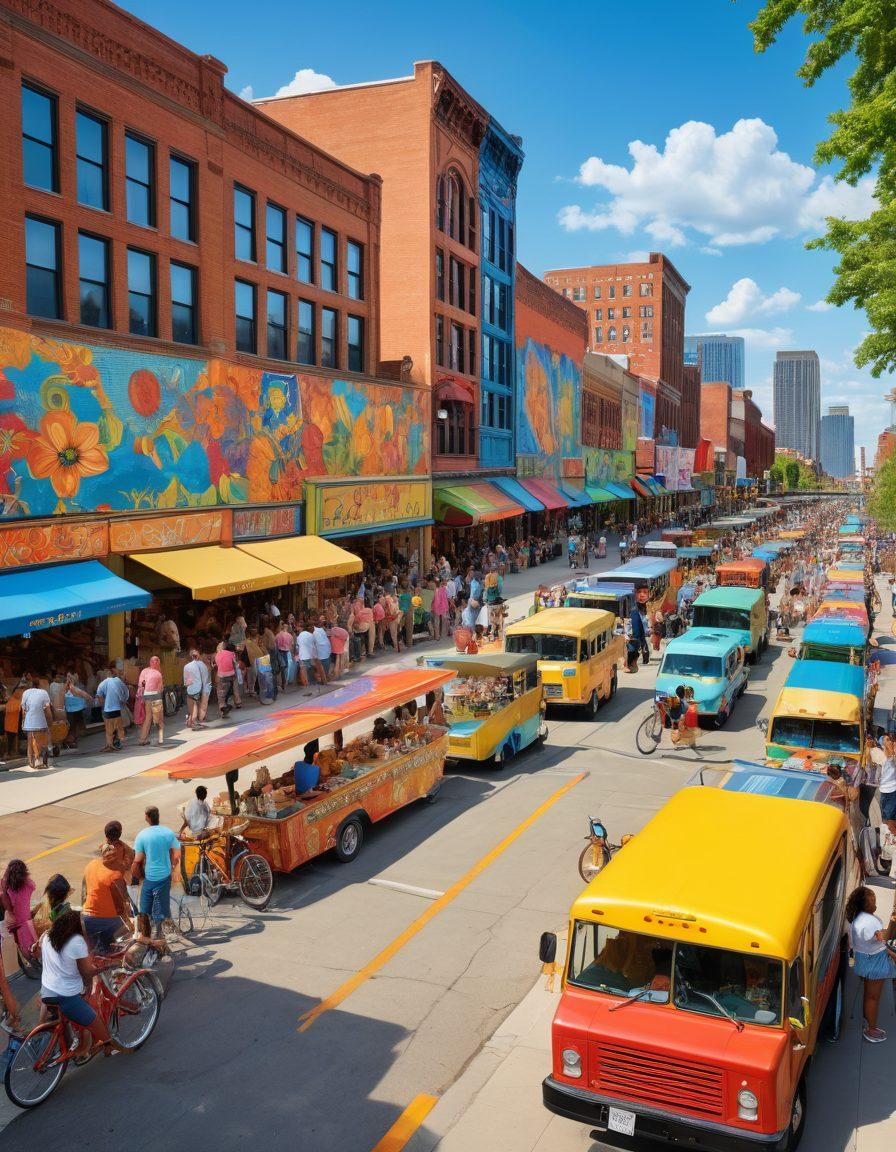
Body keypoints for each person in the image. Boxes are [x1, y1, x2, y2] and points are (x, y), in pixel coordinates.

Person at [39, 907, 119, 1058]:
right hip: (65, 995)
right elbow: (87, 973)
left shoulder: (48, 936)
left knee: (74, 1011)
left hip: (47, 989)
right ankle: (109, 1046)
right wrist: (107, 967)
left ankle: (78, 1047)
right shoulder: (76, 941)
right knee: (95, 1020)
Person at [846, 885, 896, 1043]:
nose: (876, 905)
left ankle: (867, 1023)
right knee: (873, 997)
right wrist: (893, 921)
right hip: (875, 962)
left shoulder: (857, 919)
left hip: (864, 959)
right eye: (873, 902)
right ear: (865, 905)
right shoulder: (872, 922)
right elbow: (884, 939)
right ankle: (871, 1030)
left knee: (868, 995)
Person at [133, 806, 180, 939]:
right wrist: (171, 866)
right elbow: (176, 855)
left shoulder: (142, 835)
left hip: (149, 878)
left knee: (144, 911)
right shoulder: (168, 833)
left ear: (147, 817)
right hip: (164, 877)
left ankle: (148, 938)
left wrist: (139, 877)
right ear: (158, 816)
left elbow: (137, 861)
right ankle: (161, 935)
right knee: (161, 910)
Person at [81, 850, 129, 951]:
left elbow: (84, 893)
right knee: (127, 929)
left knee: (93, 948)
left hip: (87, 918)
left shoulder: (90, 865)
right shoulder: (115, 874)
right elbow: (123, 904)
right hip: (109, 920)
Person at [1, 858, 37, 960]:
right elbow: (32, 884)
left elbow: (8, 907)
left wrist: (4, 887)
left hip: (13, 922)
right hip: (26, 921)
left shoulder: (8, 890)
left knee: (19, 945)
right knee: (30, 945)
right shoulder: (29, 885)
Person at [21, 676, 52, 769]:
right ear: (39, 684)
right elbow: (47, 709)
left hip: (29, 721)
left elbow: (24, 709)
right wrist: (50, 722)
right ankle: (43, 761)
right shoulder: (44, 693)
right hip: (41, 721)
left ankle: (31, 763)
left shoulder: (26, 693)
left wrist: (24, 721)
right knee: (43, 742)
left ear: (31, 684)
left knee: (30, 742)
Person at [95, 668, 129, 752]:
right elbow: (126, 691)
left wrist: (102, 705)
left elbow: (99, 696)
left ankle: (110, 745)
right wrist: (123, 700)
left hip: (107, 709)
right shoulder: (118, 681)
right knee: (117, 727)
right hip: (117, 708)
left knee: (108, 728)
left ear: (104, 675)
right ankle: (117, 743)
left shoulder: (102, 684)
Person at [137, 655, 165, 747]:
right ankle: (160, 738)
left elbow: (141, 685)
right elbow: (160, 688)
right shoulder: (158, 673)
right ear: (158, 663)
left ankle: (142, 739)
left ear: (150, 662)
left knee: (148, 717)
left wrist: (141, 697)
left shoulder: (144, 671)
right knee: (158, 718)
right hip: (156, 695)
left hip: (146, 696)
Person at [183, 649, 212, 728]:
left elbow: (186, 681)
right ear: (198, 656)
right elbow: (206, 678)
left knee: (194, 704)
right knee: (200, 705)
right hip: (203, 688)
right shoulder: (203, 665)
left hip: (192, 689)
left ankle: (191, 721)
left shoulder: (187, 666)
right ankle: (195, 721)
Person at [63, 674, 92, 749]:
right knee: (73, 727)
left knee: (73, 727)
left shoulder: (70, 688)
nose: (68, 679)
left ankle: (72, 741)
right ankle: (71, 741)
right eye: (68, 677)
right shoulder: (70, 688)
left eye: (70, 677)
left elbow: (86, 696)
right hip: (73, 711)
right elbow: (87, 696)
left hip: (73, 711)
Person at [214, 642, 240, 717]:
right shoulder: (231, 654)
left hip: (221, 676)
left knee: (221, 693)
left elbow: (216, 665)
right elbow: (235, 664)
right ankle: (226, 706)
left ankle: (223, 707)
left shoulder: (217, 655)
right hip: (231, 675)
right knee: (229, 691)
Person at [274, 620, 295, 691]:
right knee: (283, 667)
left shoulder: (278, 635)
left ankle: (281, 683)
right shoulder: (289, 636)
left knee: (282, 667)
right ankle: (282, 684)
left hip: (281, 652)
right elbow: (291, 646)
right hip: (283, 652)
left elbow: (275, 644)